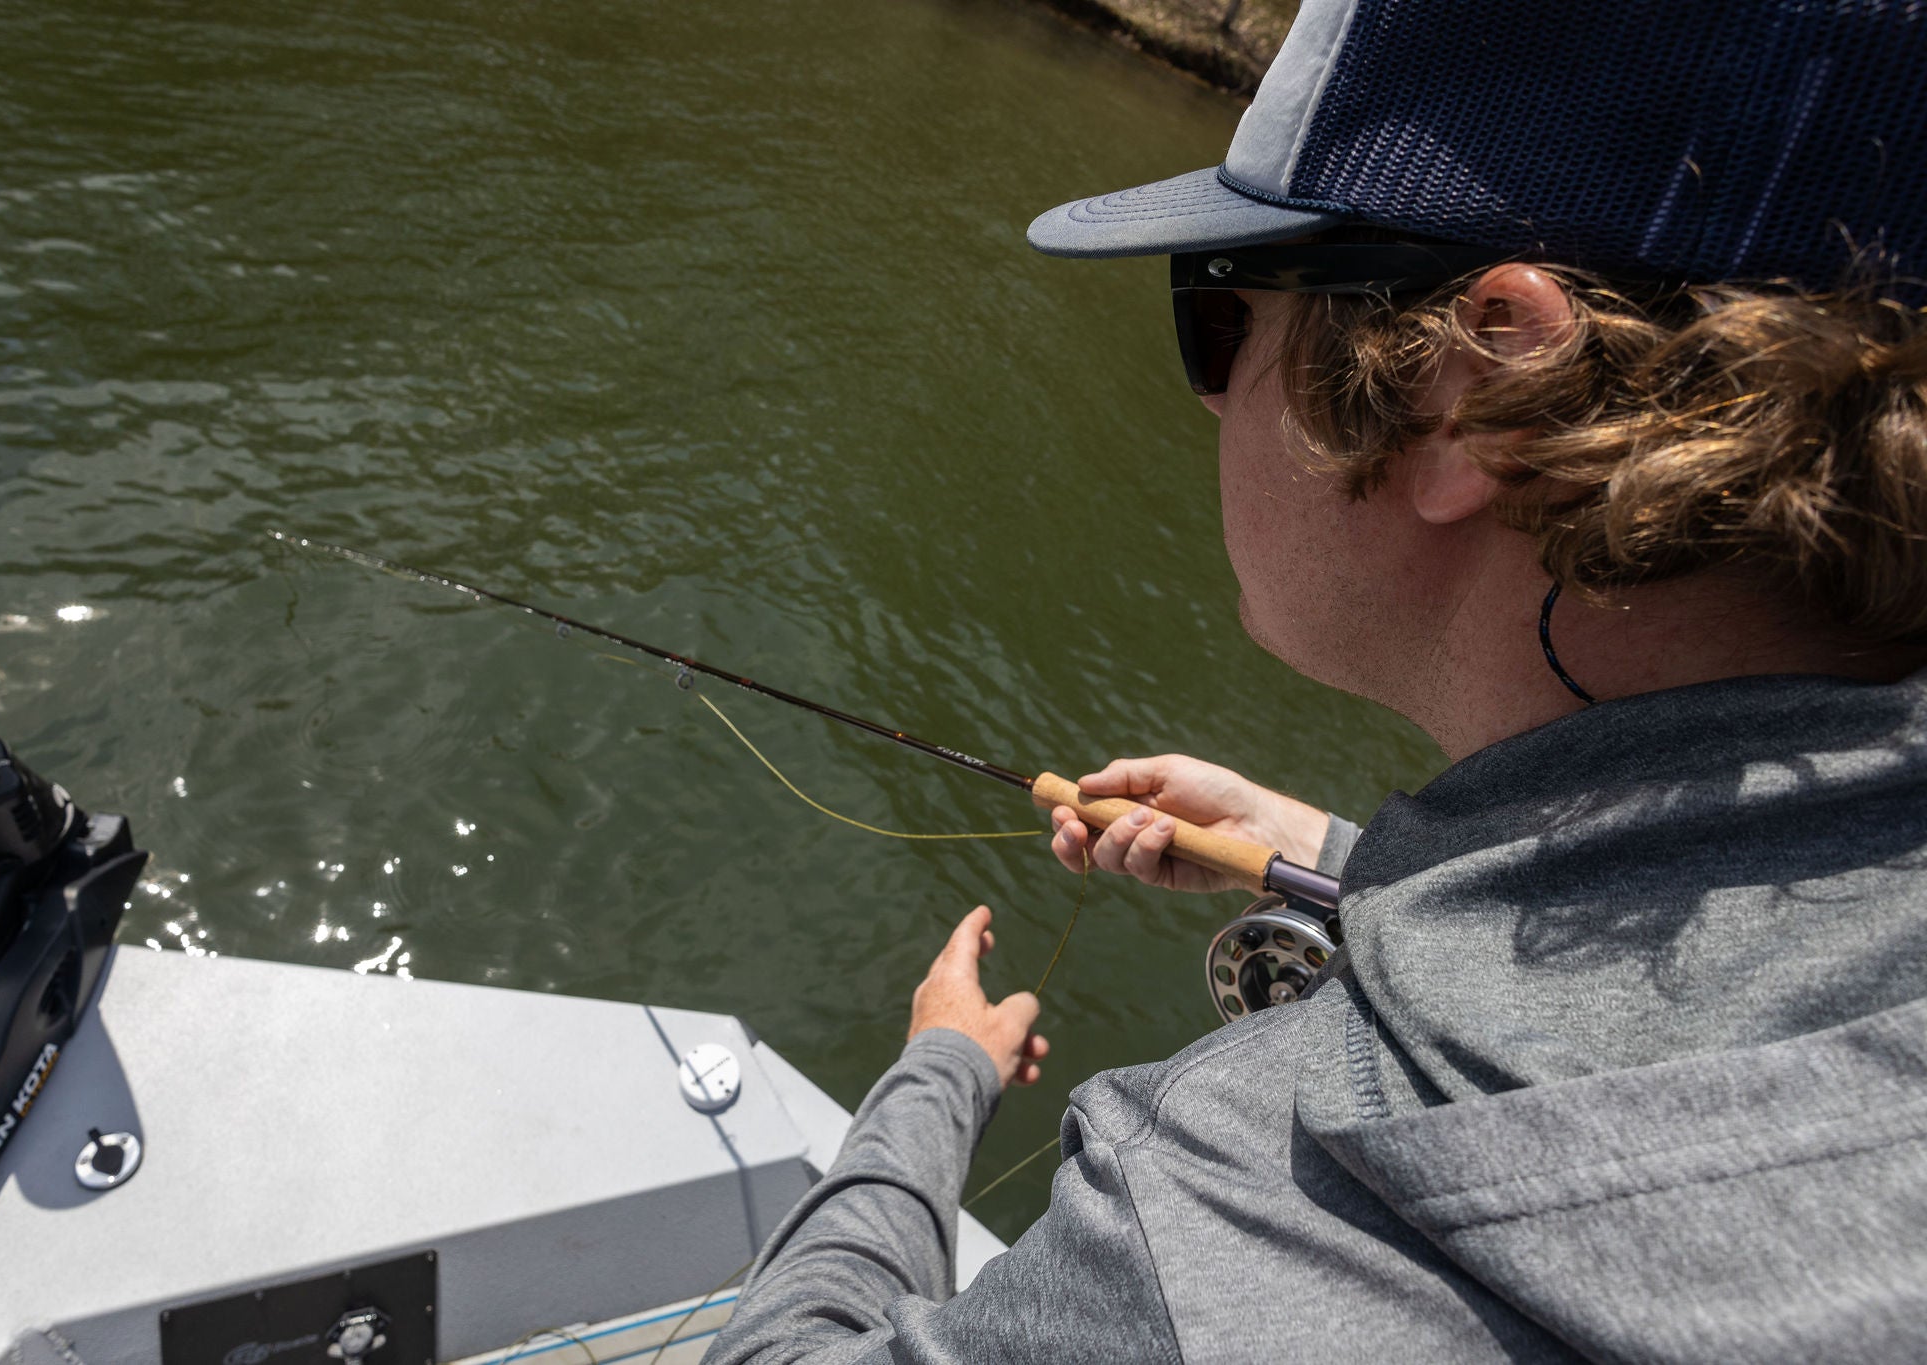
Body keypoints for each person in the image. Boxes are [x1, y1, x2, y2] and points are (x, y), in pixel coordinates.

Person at [706, 1, 1927, 1360]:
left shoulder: (1237, 1218)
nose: (1211, 395)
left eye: (1221, 307)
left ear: (1468, 384)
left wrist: (938, 1069)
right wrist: (1314, 859)